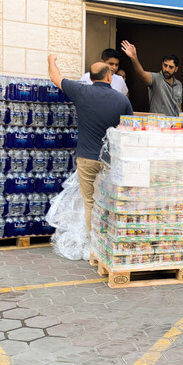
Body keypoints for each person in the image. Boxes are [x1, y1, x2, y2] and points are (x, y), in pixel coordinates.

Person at [48, 54, 133, 232]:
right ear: (109, 76)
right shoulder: (122, 100)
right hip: (111, 160)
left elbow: (55, 77)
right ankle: (109, 243)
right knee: (110, 202)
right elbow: (129, 131)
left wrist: (52, 60)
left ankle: (94, 246)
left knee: (90, 203)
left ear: (91, 78)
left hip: (86, 158)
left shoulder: (81, 91)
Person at [120, 40, 182, 116]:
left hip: (174, 125)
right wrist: (134, 58)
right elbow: (141, 74)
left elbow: (179, 106)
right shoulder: (156, 78)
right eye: (165, 65)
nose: (167, 69)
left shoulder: (178, 84)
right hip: (157, 123)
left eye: (171, 67)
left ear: (176, 69)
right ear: (162, 64)